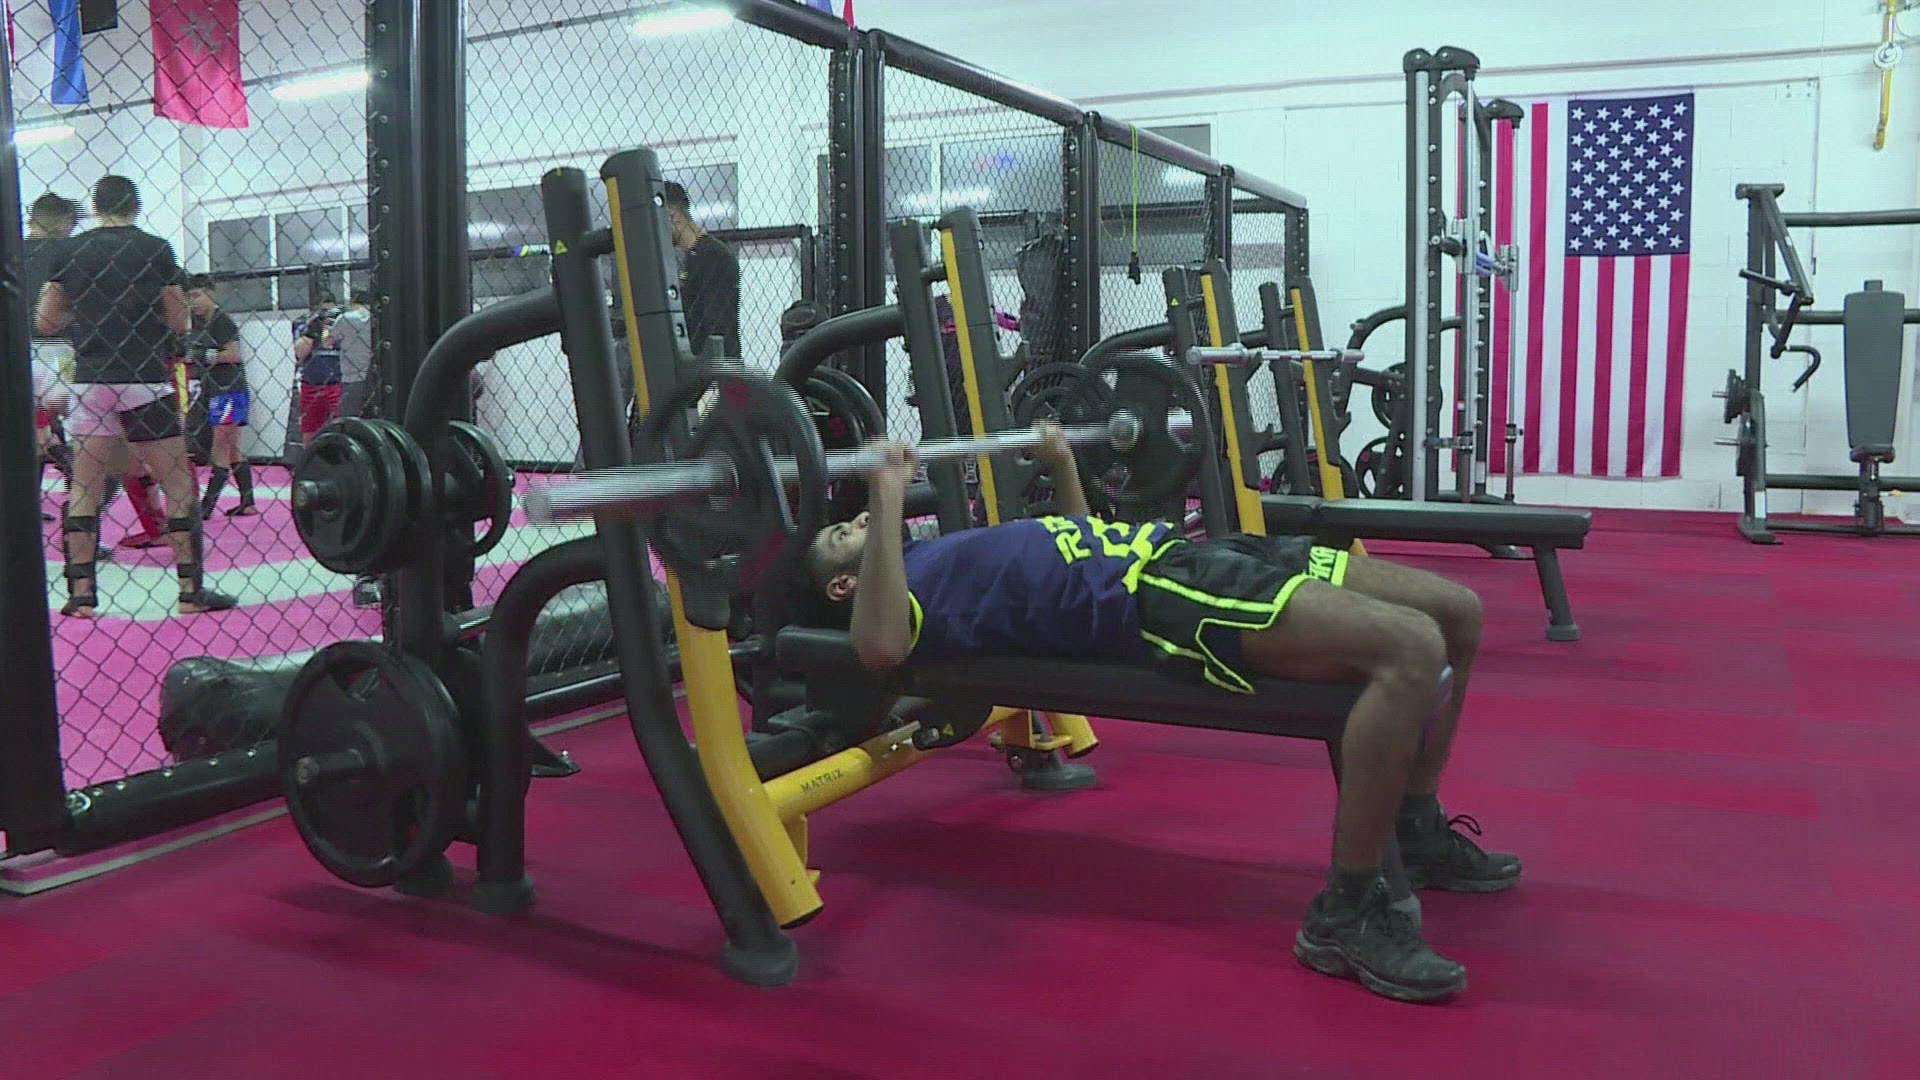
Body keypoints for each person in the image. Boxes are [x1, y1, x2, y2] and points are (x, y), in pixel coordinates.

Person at [795, 426, 1520, 1004]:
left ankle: (1414, 830)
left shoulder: (933, 553)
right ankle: (1347, 912)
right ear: (843, 586)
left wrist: (1063, 462)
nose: (852, 523)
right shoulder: (902, 589)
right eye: (840, 536)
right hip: (1158, 593)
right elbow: (880, 648)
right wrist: (885, 497)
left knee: (1458, 613)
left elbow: (1076, 543)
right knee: (1411, 647)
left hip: (1187, 551)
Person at [37, 175, 236, 617]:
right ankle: (190, 592)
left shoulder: (69, 252)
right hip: (144, 377)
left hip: (91, 379)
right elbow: (179, 322)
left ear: (95, 207)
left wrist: (89, 318)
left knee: (84, 487)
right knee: (177, 483)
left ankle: (81, 596)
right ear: (136, 206)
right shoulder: (155, 249)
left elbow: (47, 320)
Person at [185, 274, 256, 518]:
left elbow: (234, 354)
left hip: (229, 389)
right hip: (216, 389)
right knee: (232, 448)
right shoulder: (196, 322)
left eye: (196, 295)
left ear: (210, 293)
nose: (193, 302)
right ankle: (248, 502)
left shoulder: (222, 321)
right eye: (189, 297)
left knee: (220, 447)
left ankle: (207, 506)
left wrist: (203, 356)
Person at [661, 181, 740, 361]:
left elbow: (717, 326)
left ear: (673, 216)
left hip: (714, 367)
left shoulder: (711, 255)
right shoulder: (694, 256)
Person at [294, 296, 344, 446]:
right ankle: (310, 458)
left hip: (338, 382)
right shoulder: (305, 323)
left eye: (330, 311)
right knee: (310, 431)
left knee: (341, 427)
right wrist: (312, 333)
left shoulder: (344, 322)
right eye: (323, 311)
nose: (327, 316)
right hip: (312, 383)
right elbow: (299, 354)